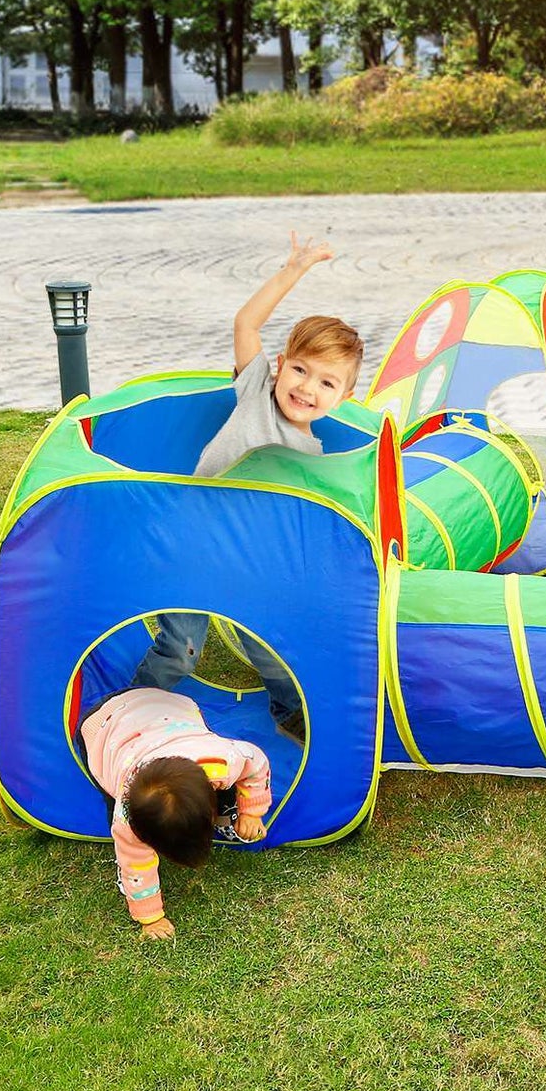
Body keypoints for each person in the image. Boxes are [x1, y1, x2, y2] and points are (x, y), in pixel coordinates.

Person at [131, 234, 364, 739]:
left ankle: (291, 711)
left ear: (344, 398)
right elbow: (246, 323)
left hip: (248, 560)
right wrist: (294, 269)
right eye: (300, 370)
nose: (306, 388)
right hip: (191, 542)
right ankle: (130, 713)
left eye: (327, 383)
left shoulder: (313, 459)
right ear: (280, 367)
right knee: (181, 651)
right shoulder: (256, 389)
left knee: (273, 644)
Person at [79, 687, 272, 940]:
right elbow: (135, 865)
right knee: (111, 795)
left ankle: (225, 811)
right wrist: (151, 918)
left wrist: (251, 813)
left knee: (223, 789)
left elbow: (256, 762)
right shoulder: (128, 816)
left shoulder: (221, 761)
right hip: (103, 727)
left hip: (167, 707)